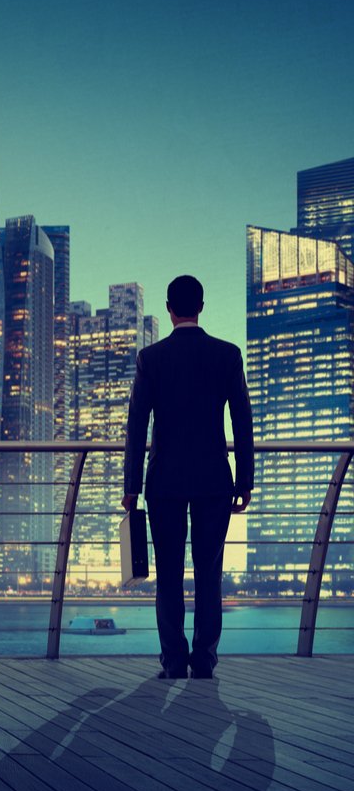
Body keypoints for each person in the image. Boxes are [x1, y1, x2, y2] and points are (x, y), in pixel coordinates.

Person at [122, 274, 254, 679]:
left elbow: (136, 425)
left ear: (169, 308)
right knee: (209, 574)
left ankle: (174, 661)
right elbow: (242, 422)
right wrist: (244, 480)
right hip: (215, 480)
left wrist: (131, 488)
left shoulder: (152, 358)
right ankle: (205, 661)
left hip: (164, 483)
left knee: (169, 576)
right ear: (201, 305)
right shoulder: (227, 355)